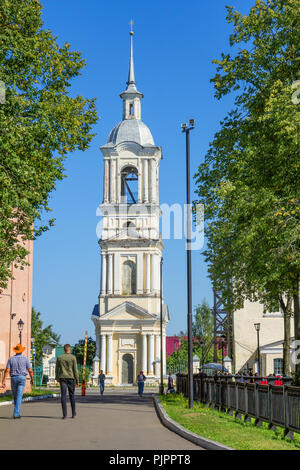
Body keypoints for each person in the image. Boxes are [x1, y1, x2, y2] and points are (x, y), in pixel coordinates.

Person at [0, 343, 34, 419]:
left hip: (14, 378)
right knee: (18, 396)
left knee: (16, 396)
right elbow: (30, 370)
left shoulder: (11, 359)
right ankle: (16, 414)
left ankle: (17, 412)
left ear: (15, 351)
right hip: (22, 378)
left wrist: (3, 381)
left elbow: (7, 370)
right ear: (22, 351)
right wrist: (32, 379)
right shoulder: (25, 359)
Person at [55, 344, 79, 419]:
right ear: (69, 349)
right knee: (72, 395)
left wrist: (57, 377)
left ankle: (64, 414)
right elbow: (75, 369)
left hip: (62, 378)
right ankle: (73, 413)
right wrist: (77, 380)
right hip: (71, 378)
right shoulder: (73, 357)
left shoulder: (60, 358)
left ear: (64, 349)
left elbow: (57, 369)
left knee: (63, 396)